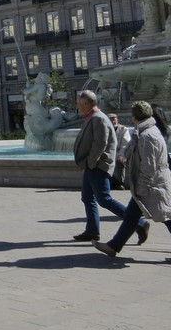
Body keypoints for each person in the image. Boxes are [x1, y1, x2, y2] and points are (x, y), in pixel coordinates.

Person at [93, 101, 171, 258]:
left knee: (166, 216)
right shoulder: (147, 131)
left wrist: (143, 186)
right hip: (151, 183)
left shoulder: (148, 136)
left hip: (150, 185)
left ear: (135, 117)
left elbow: (148, 166)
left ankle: (114, 246)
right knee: (132, 215)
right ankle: (113, 246)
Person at [71, 90, 147, 242]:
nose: (77, 107)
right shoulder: (91, 117)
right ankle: (92, 230)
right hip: (91, 166)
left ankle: (140, 224)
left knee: (104, 199)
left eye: (79, 104)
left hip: (98, 166)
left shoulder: (98, 118)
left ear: (87, 104)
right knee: (87, 198)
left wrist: (91, 163)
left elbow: (100, 143)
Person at [109, 113, 131, 190]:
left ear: (117, 120)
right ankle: (110, 182)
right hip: (109, 152)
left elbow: (125, 144)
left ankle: (120, 183)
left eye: (114, 119)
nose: (112, 121)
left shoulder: (123, 129)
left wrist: (121, 154)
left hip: (120, 152)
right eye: (110, 119)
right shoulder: (104, 128)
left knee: (120, 161)